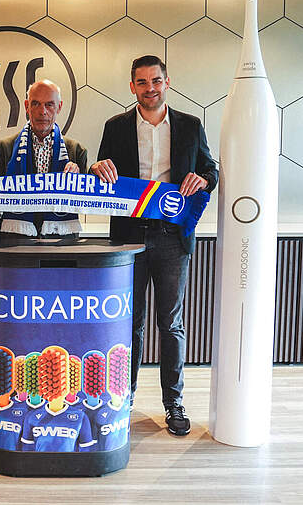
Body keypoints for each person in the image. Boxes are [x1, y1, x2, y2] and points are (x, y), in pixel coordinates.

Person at [90, 55, 217, 436]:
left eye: (156, 81)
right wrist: (97, 168)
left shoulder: (190, 125)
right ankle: (123, 398)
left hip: (172, 237)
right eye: (142, 82)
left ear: (167, 82)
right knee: (129, 323)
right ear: (132, 87)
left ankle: (173, 402)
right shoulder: (115, 126)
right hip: (128, 238)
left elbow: (211, 169)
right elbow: (100, 169)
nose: (150, 88)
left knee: (171, 324)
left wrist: (204, 180)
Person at [0, 80, 88, 238]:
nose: (42, 111)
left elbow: (85, 201)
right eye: (36, 104)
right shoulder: (5, 148)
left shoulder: (76, 150)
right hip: (15, 242)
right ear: (27, 106)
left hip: (62, 242)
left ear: (59, 107)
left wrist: (79, 178)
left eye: (49, 105)